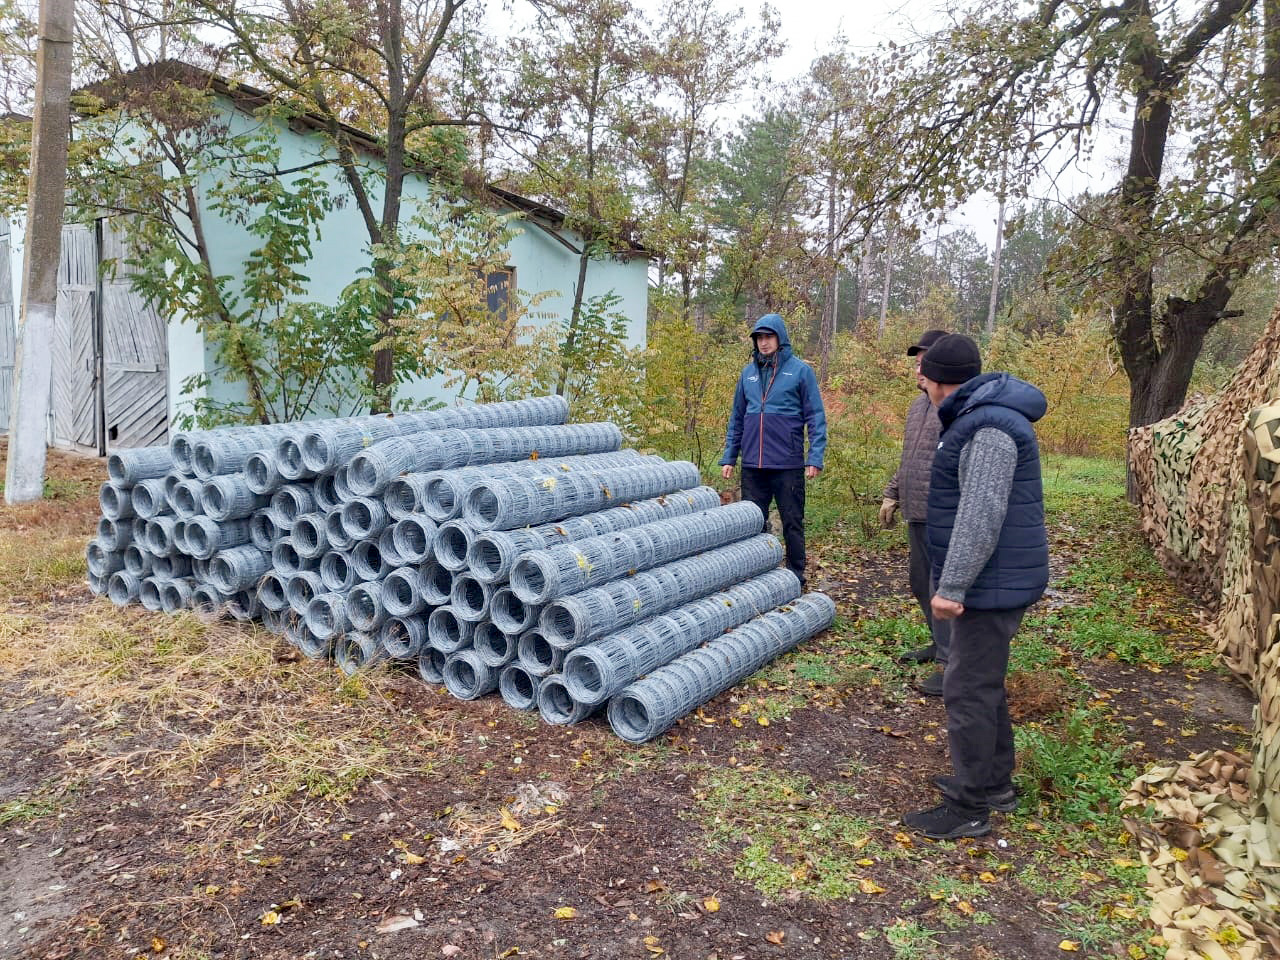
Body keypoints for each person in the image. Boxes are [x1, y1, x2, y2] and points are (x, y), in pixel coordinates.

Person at [902, 333, 1048, 841]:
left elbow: (981, 513)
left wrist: (953, 585)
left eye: (926, 374)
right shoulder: (979, 416)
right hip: (996, 577)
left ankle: (969, 806)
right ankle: (992, 785)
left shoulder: (988, 428)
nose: (920, 380)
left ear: (944, 382)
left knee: (965, 688)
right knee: (982, 684)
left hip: (991, 581)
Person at [720, 313, 827, 590]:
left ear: (780, 339)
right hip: (753, 464)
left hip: (788, 464)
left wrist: (814, 456)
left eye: (768, 337)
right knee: (754, 522)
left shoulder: (801, 372)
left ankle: (795, 575)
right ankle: (759, 574)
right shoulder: (748, 374)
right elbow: (737, 418)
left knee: (792, 521)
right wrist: (730, 456)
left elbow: (815, 416)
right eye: (759, 338)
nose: (763, 343)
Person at [880, 329, 949, 694]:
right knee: (920, 584)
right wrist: (893, 493)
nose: (917, 368)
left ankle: (950, 665)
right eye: (916, 362)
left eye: (924, 361)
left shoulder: (951, 406)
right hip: (917, 511)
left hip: (941, 513)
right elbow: (912, 459)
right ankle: (938, 645)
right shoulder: (917, 406)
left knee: (943, 588)